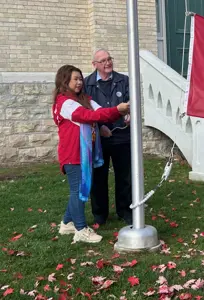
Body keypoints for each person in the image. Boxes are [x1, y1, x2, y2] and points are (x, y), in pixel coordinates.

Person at [53, 65, 130, 243]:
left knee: (80, 188)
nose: (80, 82)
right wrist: (117, 110)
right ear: (65, 81)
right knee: (78, 190)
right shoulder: (64, 102)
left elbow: (99, 112)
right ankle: (80, 229)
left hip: (84, 153)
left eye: (81, 79)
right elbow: (86, 116)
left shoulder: (84, 99)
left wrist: (114, 112)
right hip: (73, 153)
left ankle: (67, 223)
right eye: (75, 79)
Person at [84, 49, 133, 225]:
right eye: (103, 60)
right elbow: (86, 110)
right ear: (95, 65)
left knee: (125, 176)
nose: (108, 63)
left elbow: (131, 101)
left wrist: (129, 114)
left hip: (122, 136)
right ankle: (99, 214)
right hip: (99, 138)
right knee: (98, 177)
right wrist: (99, 125)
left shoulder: (124, 81)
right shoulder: (86, 84)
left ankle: (125, 210)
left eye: (109, 59)